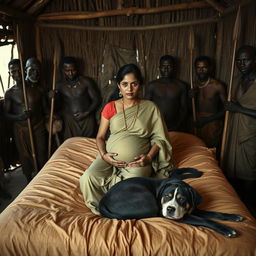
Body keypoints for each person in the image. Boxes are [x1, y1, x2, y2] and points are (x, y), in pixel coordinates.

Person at [80, 64, 174, 215]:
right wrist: (104, 155)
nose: (129, 89)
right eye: (125, 84)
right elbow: (100, 137)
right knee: (88, 178)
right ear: (119, 86)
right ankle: (101, 209)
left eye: (134, 84)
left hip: (137, 162)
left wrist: (149, 158)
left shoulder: (150, 107)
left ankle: (117, 205)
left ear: (140, 85)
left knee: (133, 184)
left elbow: (160, 138)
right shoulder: (110, 107)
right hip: (108, 159)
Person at [224, 45, 256, 213]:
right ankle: (236, 206)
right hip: (234, 131)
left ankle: (249, 207)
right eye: (239, 60)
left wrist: (239, 109)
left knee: (250, 173)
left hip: (251, 134)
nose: (242, 64)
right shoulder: (236, 80)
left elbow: (239, 107)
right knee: (232, 169)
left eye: (246, 60)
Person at [4, 58, 47, 182]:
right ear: (9, 74)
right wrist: (19, 117)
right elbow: (6, 114)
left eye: (18, 71)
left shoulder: (37, 89)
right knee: (25, 156)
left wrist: (52, 99)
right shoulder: (10, 93)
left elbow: (45, 109)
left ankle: (43, 179)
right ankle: (29, 180)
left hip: (38, 127)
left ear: (24, 70)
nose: (16, 74)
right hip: (21, 130)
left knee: (42, 153)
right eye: (13, 72)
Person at [53, 56, 100, 140]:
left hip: (87, 119)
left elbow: (96, 100)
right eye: (67, 71)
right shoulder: (59, 86)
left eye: (73, 70)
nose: (70, 73)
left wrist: (86, 113)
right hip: (70, 121)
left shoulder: (86, 82)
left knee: (88, 144)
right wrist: (51, 97)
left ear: (77, 69)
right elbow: (56, 106)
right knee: (71, 145)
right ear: (63, 70)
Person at [190, 56, 226, 151]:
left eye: (204, 67)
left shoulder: (217, 86)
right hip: (196, 121)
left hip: (212, 123)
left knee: (210, 150)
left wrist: (207, 120)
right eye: (198, 68)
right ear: (195, 69)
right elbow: (186, 108)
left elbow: (226, 109)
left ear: (210, 68)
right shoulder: (192, 86)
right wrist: (189, 98)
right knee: (196, 149)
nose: (201, 70)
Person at [144, 55, 188, 132]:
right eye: (163, 66)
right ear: (159, 68)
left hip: (175, 126)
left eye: (169, 66)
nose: (166, 69)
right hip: (156, 126)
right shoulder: (152, 86)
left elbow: (184, 109)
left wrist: (177, 125)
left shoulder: (181, 86)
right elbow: (146, 107)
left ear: (174, 68)